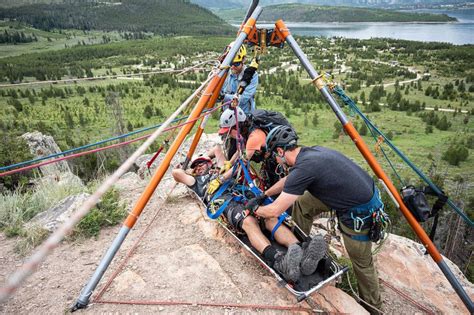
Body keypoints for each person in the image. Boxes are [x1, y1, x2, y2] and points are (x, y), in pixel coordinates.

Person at [252, 125, 384, 314]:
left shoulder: (305, 167)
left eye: (275, 155)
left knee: (362, 264)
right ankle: (302, 246)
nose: (276, 160)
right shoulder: (308, 154)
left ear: (280, 151)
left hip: (359, 212)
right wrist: (265, 193)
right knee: (303, 204)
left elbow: (275, 210)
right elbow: (290, 181)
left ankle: (373, 308)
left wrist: (257, 209)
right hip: (353, 195)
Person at [172, 146, 325, 283]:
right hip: (224, 203)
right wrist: (187, 168)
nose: (198, 167)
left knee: (270, 217)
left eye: (201, 164)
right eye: (196, 167)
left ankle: (302, 253)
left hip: (243, 194)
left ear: (210, 163)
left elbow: (217, 149)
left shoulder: (221, 169)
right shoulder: (196, 182)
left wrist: (208, 159)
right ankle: (279, 261)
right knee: (248, 221)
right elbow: (176, 173)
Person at [217, 108, 288, 190]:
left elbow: (241, 164)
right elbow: (241, 149)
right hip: (269, 156)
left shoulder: (254, 137)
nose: (228, 135)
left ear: (237, 126)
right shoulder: (246, 128)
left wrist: (220, 180)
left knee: (273, 188)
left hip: (278, 161)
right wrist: (229, 163)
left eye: (229, 132)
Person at [220, 42, 258, 114]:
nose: (232, 67)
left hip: (244, 116)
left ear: (243, 60)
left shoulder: (252, 75)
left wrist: (223, 97)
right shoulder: (226, 74)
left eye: (236, 64)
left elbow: (243, 99)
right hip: (227, 116)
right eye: (231, 64)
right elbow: (218, 95)